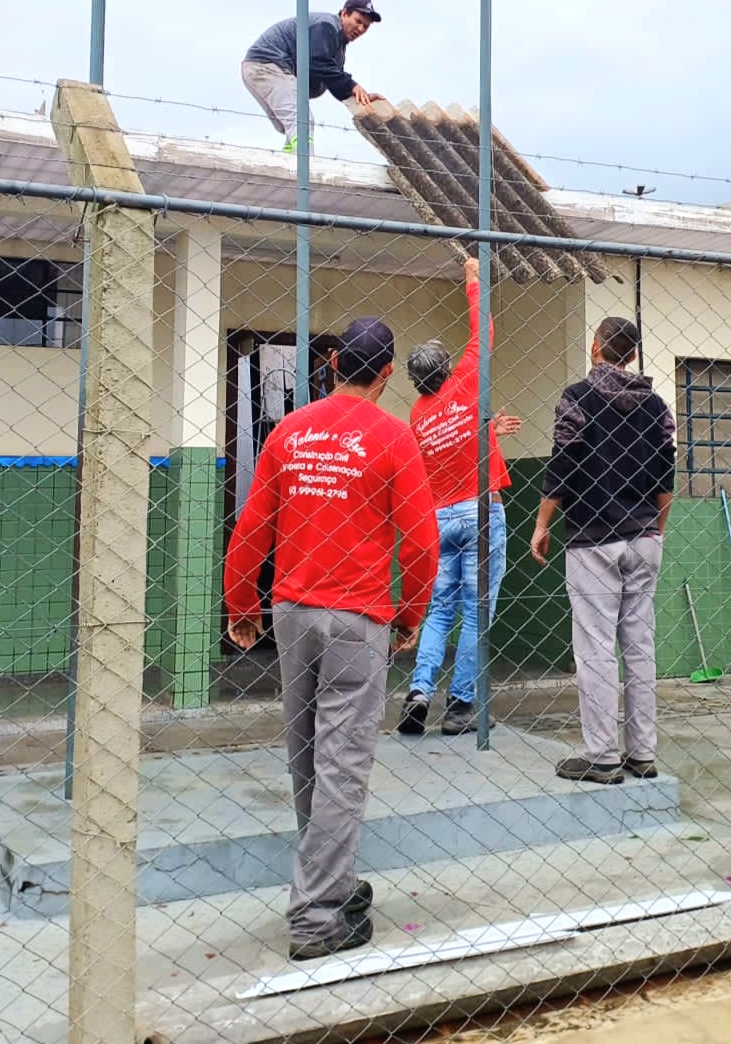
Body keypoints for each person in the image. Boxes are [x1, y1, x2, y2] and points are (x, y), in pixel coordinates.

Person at [223, 317, 439, 961]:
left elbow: (252, 522)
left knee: (307, 755)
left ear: (336, 362)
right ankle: (318, 918)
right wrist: (409, 615)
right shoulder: (393, 437)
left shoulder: (290, 430)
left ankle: (333, 884)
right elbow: (422, 544)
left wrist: (241, 602)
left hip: (291, 612)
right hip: (358, 619)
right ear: (389, 372)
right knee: (343, 764)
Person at [530, 316, 676, 785]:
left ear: (596, 347)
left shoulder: (578, 399)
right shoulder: (656, 407)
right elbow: (665, 480)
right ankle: (643, 754)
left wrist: (541, 523)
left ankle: (601, 756)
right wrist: (657, 531)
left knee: (595, 649)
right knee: (639, 647)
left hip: (594, 540)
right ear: (631, 354)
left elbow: (563, 463)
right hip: (644, 538)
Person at [397, 259, 523, 737]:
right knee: (476, 611)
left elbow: (446, 452)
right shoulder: (467, 382)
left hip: (439, 518)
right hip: (481, 512)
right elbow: (482, 331)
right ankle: (460, 705)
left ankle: (419, 691)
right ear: (447, 369)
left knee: (439, 610)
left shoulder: (417, 415)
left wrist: (490, 430)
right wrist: (472, 278)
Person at [241, 0, 386, 152]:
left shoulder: (338, 46)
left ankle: (289, 165)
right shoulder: (326, 25)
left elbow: (333, 77)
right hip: (267, 66)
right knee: (302, 121)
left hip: (264, 69)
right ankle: (304, 171)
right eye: (358, 21)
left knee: (293, 124)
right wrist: (352, 85)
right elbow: (317, 61)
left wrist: (356, 94)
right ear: (344, 14)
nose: (361, 29)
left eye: (366, 26)